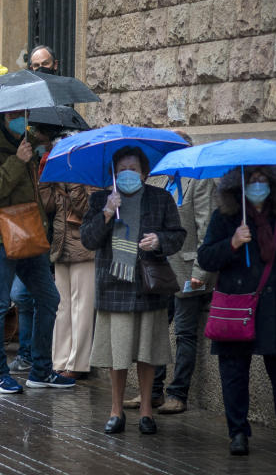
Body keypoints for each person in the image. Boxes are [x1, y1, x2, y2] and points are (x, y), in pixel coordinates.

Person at [197, 165, 276, 458]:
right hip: (237, 305)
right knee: (234, 372)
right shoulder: (225, 217)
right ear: (239, 185)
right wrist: (232, 243)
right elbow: (206, 257)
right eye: (252, 180)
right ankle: (238, 433)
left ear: (273, 184)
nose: (258, 185)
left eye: (263, 180)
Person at [80, 146, 185, 435]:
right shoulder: (101, 198)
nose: (128, 174)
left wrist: (159, 240)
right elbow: (88, 240)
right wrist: (105, 212)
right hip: (114, 288)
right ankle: (115, 411)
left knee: (147, 353)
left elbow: (178, 236)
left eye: (133, 169)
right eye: (122, 170)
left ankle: (146, 412)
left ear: (145, 172)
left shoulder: (160, 198)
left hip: (149, 288)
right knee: (118, 355)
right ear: (114, 174)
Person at [0, 109, 74, 394]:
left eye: (26, 114)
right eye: (17, 115)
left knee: (48, 297)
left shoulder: (29, 140)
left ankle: (40, 371)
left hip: (29, 231)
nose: (22, 119)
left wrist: (44, 149)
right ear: (4, 117)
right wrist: (17, 162)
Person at [139, 132, 219, 414]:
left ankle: (178, 394)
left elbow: (207, 228)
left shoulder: (199, 181)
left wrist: (201, 272)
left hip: (189, 270)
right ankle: (153, 391)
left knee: (185, 333)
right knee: (157, 330)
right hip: (162, 273)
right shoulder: (164, 182)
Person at [39, 152, 95, 379]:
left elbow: (87, 208)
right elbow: (47, 205)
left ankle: (78, 364)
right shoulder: (59, 176)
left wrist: (74, 180)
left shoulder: (89, 175)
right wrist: (45, 179)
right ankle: (59, 360)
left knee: (82, 306)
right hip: (60, 248)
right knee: (62, 307)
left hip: (84, 249)